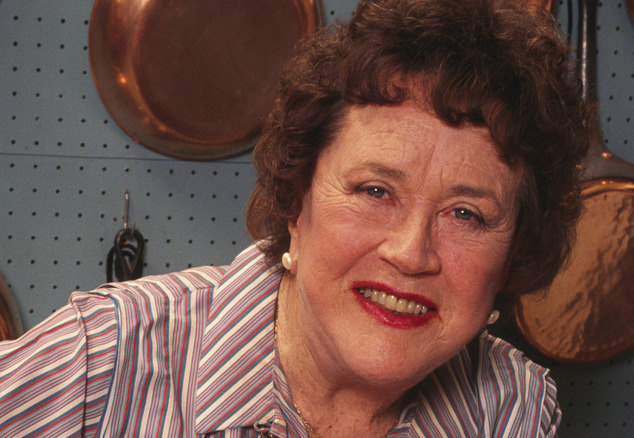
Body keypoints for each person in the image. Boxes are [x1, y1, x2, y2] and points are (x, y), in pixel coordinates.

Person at [0, 0, 587, 436]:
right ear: (295, 200)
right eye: (376, 189)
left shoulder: (512, 405)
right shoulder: (102, 362)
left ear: (514, 253)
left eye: (466, 213)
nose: (411, 253)